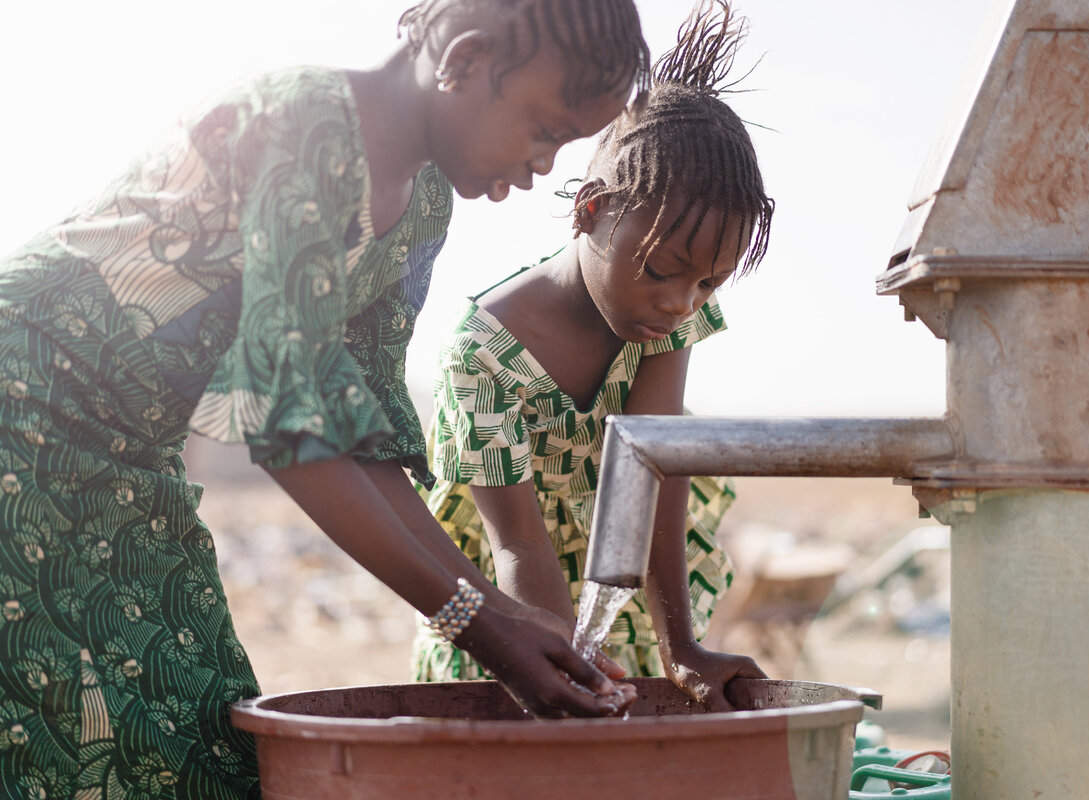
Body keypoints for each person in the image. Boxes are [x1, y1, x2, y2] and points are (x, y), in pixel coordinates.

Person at [0, 2, 650, 797]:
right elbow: (288, 429)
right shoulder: (304, 123)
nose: (545, 166)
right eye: (545, 131)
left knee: (191, 726)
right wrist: (476, 626)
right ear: (467, 61)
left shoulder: (421, 207)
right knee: (57, 728)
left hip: (129, 457)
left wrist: (507, 618)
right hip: (19, 414)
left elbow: (357, 437)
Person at [412, 0, 774, 710]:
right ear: (591, 211)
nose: (682, 302)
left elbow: (656, 471)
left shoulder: (662, 320)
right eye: (664, 269)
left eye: (708, 283)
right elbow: (517, 544)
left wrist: (680, 646)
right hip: (515, 634)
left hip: (623, 623)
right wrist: (564, 673)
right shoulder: (481, 357)